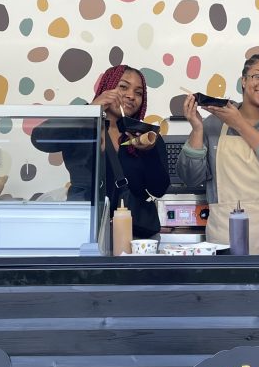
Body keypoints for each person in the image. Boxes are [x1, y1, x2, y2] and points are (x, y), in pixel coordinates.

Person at [31, 64, 169, 239]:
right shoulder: (82, 125)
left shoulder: (145, 135)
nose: (131, 96)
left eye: (139, 92)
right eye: (123, 87)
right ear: (107, 88)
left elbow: (159, 189)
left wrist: (149, 152)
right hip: (82, 227)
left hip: (134, 234)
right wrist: (90, 111)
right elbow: (40, 139)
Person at [177, 51, 259, 254]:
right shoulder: (212, 126)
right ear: (243, 81)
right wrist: (197, 128)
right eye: (258, 76)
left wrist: (238, 123)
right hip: (226, 238)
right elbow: (191, 178)